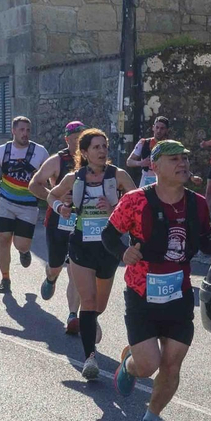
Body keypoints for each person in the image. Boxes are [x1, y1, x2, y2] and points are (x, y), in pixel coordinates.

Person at [103, 139, 211, 421]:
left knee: (172, 364)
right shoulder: (135, 201)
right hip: (142, 293)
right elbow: (108, 235)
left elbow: (201, 242)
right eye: (174, 159)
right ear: (155, 166)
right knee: (149, 366)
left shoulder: (197, 203)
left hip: (179, 294)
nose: (183, 163)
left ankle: (150, 420)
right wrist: (123, 253)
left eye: (185, 158)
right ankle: (131, 363)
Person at [48, 129, 137, 379]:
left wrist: (114, 207)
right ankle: (90, 359)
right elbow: (51, 196)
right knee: (87, 302)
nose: (102, 151)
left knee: (99, 305)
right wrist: (60, 209)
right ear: (84, 152)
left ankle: (90, 321)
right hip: (81, 245)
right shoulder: (73, 178)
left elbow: (137, 201)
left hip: (108, 247)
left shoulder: (117, 175)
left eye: (104, 146)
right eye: (96, 147)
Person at [29, 120, 87, 334]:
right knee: (56, 266)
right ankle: (51, 277)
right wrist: (55, 198)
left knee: (75, 270)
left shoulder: (93, 162)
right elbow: (34, 184)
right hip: (58, 221)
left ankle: (73, 315)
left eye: (83, 138)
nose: (80, 142)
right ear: (67, 140)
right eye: (76, 139)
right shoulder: (58, 161)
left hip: (81, 222)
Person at [0, 116, 49, 295]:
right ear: (13, 131)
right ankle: (5, 279)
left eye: (28, 130)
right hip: (5, 202)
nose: (25, 134)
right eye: (21, 130)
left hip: (28, 206)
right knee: (3, 238)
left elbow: (51, 175)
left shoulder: (40, 152)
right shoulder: (2, 150)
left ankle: (24, 252)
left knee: (21, 244)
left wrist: (54, 192)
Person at [125, 115, 172, 188]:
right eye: (157, 127)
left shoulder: (170, 146)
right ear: (153, 128)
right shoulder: (144, 143)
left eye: (162, 128)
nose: (159, 131)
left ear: (166, 130)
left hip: (163, 181)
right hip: (146, 181)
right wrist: (140, 163)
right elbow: (129, 161)